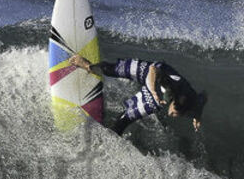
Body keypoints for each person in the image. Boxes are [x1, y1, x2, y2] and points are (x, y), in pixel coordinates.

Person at [68, 54, 207, 135]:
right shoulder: (171, 86)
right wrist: (152, 90)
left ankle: (108, 135)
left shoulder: (193, 104)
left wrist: (197, 117)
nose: (171, 115)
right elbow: (154, 69)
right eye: (174, 112)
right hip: (151, 75)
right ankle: (86, 65)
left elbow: (204, 96)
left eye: (177, 114)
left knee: (124, 120)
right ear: (173, 101)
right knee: (110, 70)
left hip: (157, 96)